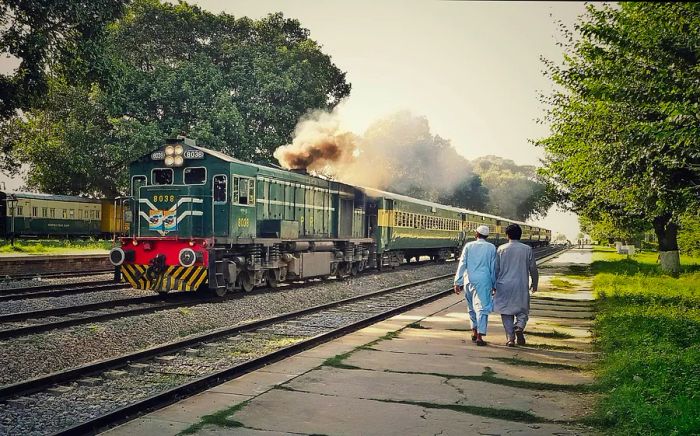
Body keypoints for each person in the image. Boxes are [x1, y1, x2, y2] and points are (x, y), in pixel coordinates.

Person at [493, 224, 539, 347]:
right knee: (522, 309)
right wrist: (535, 283)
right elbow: (533, 268)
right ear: (520, 235)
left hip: (503, 285)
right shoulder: (527, 249)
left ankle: (510, 339)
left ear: (507, 235)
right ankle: (519, 326)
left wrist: (493, 284)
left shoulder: (501, 249)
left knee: (506, 311)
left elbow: (496, 269)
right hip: (521, 284)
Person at [453, 224, 496, 346]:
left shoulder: (469, 246)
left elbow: (462, 264)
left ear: (476, 234)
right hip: (484, 281)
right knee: (483, 307)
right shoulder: (492, 248)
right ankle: (480, 336)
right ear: (487, 236)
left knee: (471, 307)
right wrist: (494, 284)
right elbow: (493, 268)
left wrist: (458, 282)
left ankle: (474, 331)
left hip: (469, 280)